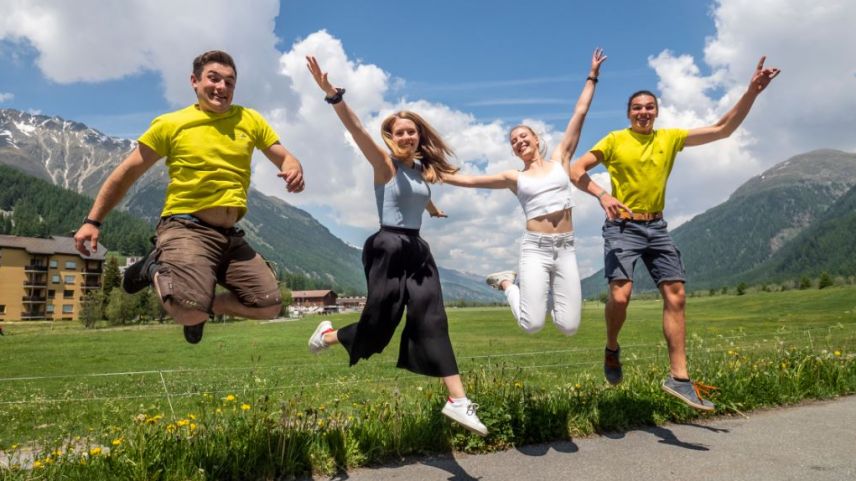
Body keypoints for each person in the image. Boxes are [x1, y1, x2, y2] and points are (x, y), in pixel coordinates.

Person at [570, 56, 781, 411]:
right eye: (637, 108)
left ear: (657, 112)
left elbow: (722, 129)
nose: (643, 112)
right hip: (622, 225)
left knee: (677, 294)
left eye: (649, 107)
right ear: (628, 113)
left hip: (657, 226)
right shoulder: (615, 140)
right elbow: (576, 169)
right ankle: (611, 347)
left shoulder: (670, 138)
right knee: (620, 297)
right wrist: (603, 195)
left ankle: (679, 379)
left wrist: (752, 92)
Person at [304, 55, 487, 437]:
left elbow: (417, 196)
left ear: (419, 136)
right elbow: (358, 132)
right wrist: (334, 96)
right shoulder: (383, 164)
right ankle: (329, 335)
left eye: (411, 132)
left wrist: (432, 209)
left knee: (432, 317)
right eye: (399, 132)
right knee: (380, 325)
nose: (406, 137)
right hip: (387, 247)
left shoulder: (421, 170)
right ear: (391, 137)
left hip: (418, 249)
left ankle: (456, 399)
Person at [73, 50, 305, 344]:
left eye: (230, 82)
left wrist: (292, 167)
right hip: (186, 227)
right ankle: (155, 267)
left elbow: (284, 156)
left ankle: (200, 305)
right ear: (194, 81)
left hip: (229, 236)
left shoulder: (250, 119)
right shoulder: (172, 124)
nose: (222, 87)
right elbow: (126, 173)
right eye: (214, 78)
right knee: (187, 311)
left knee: (268, 305)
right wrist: (93, 221)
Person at [439, 49, 605, 338]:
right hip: (535, 249)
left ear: (536, 139)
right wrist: (436, 174)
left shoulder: (560, 160)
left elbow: (580, 113)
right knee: (532, 324)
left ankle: (542, 293)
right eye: (513, 141)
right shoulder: (514, 177)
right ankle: (507, 284)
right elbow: (469, 181)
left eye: (523, 136)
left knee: (569, 327)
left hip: (566, 247)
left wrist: (592, 76)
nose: (518, 142)